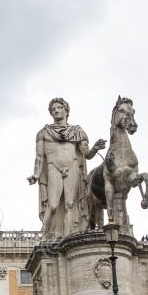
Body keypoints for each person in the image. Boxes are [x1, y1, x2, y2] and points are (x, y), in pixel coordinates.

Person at [28, 97, 105, 239]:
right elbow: (39, 157)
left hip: (73, 167)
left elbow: (86, 154)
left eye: (59, 107)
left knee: (70, 204)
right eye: (53, 109)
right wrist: (36, 175)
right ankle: (45, 238)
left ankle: (68, 238)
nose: (56, 111)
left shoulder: (77, 131)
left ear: (66, 110)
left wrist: (95, 147)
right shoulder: (43, 133)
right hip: (53, 168)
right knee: (53, 206)